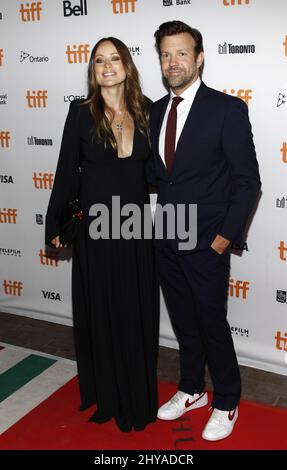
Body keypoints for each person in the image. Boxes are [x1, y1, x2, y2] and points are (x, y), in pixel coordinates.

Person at [147, 21, 261, 441]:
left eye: (181, 53)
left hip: (207, 241)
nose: (173, 62)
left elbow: (247, 181)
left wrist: (224, 238)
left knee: (212, 322)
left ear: (199, 58)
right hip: (165, 237)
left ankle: (227, 400)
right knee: (184, 322)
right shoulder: (154, 111)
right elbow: (157, 178)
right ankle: (192, 388)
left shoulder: (227, 109)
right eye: (165, 54)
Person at [45, 37, 159, 433]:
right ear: (92, 70)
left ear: (127, 65)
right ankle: (107, 395)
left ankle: (137, 396)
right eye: (99, 61)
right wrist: (56, 225)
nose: (107, 66)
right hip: (96, 229)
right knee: (101, 313)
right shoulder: (80, 113)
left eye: (114, 58)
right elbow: (65, 171)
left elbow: (162, 171)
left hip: (137, 228)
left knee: (136, 312)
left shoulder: (148, 111)